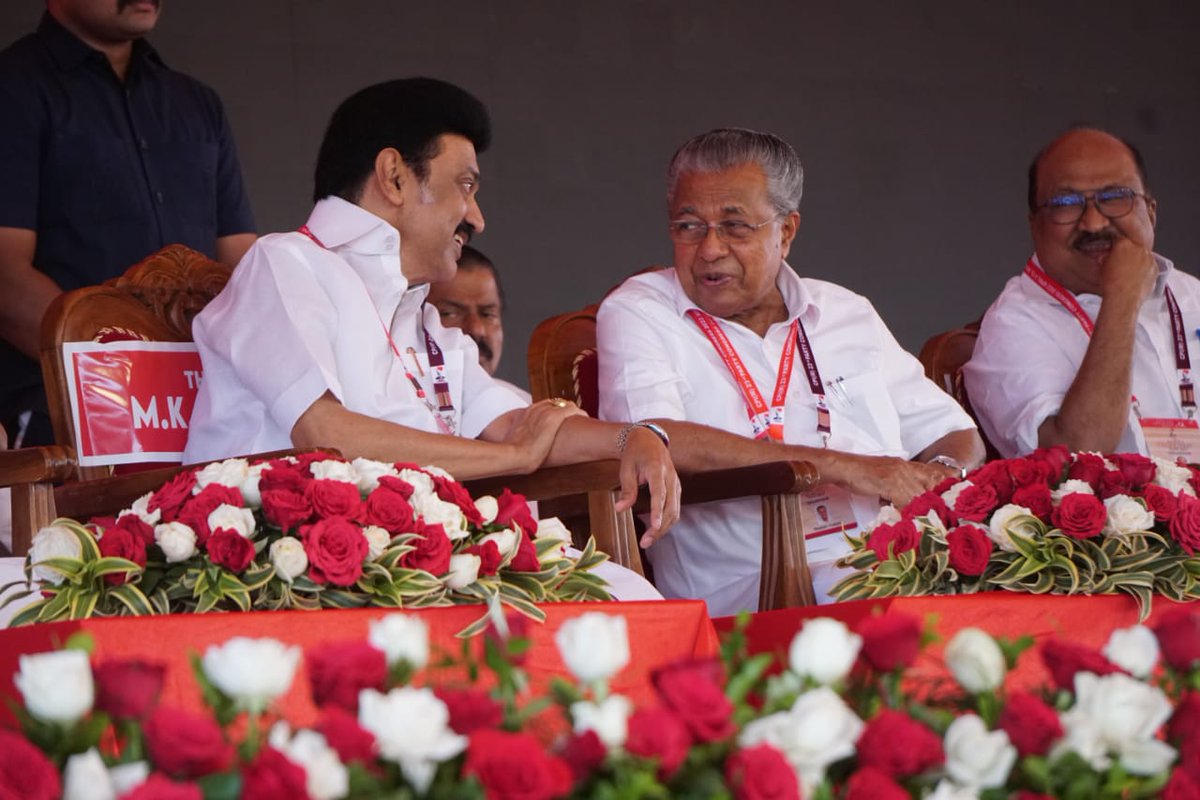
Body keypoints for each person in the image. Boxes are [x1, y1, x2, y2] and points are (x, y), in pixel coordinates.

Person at [183, 77, 680, 543]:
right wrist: (510, 457)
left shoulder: (419, 313)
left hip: (411, 561)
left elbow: (517, 425)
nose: (478, 219)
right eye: (465, 185)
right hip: (288, 566)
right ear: (395, 177)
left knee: (620, 602)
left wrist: (630, 439)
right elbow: (325, 436)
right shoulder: (285, 264)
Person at [597, 128, 984, 616]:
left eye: (735, 227)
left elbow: (955, 431)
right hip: (746, 586)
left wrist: (937, 480)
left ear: (786, 231)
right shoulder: (641, 311)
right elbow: (657, 436)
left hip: (886, 559)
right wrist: (849, 467)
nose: (710, 249)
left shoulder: (846, 312)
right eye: (689, 227)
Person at [0, 0, 256, 448]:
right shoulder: (13, 87)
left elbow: (241, 265)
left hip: (206, 408)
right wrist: (127, 379)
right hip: (62, 408)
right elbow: (6, 278)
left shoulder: (198, 104)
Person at [962, 127, 1200, 461]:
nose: (1093, 222)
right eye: (1066, 203)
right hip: (1122, 513)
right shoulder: (1013, 324)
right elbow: (1071, 459)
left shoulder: (1191, 296)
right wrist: (1122, 298)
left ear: (1152, 211)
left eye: (1115, 196)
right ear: (1035, 226)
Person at [427, 245, 531, 402]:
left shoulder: (524, 410)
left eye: (488, 314)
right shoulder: (391, 409)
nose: (477, 329)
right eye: (450, 313)